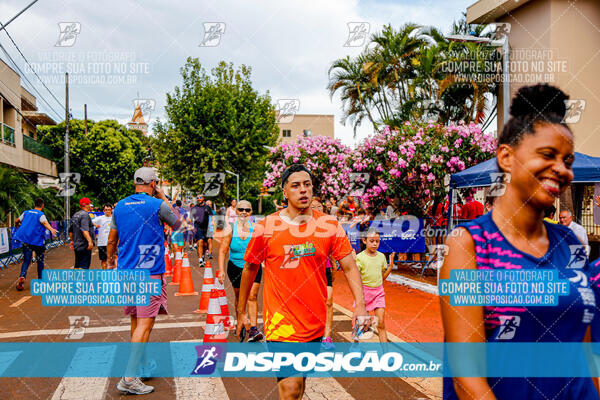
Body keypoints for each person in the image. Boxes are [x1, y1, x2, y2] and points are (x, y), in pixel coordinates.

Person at [440, 84, 599, 399]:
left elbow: (583, 349)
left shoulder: (570, 243)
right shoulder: (469, 244)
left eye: (567, 160)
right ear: (506, 156)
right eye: (548, 155)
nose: (562, 169)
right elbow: (466, 378)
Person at [236, 164, 369, 400]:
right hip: (281, 322)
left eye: (307, 184)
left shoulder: (329, 225)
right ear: (284, 192)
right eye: (295, 185)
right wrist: (242, 312)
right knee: (290, 388)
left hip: (314, 321)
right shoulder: (266, 227)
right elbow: (249, 268)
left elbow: (349, 266)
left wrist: (360, 305)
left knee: (300, 385)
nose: (303, 190)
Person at [107, 167, 179, 395]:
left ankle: (141, 365)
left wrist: (110, 263)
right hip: (149, 272)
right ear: (154, 183)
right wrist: (163, 196)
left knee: (136, 320)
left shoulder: (119, 206)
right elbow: (177, 224)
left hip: (126, 270)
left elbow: (111, 240)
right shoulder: (157, 205)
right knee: (146, 323)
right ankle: (129, 377)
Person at [217, 200, 264, 342]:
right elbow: (222, 251)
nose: (244, 212)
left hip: (253, 266)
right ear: (236, 211)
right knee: (239, 298)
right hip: (235, 267)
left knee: (253, 296)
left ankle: (254, 329)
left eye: (247, 210)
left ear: (251, 212)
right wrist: (220, 270)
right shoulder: (230, 229)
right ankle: (241, 322)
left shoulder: (256, 228)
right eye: (241, 209)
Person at [356, 229, 393, 343]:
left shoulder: (381, 257)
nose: (375, 244)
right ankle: (356, 346)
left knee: (381, 323)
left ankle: (386, 354)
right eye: (371, 241)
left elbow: (381, 278)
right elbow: (356, 279)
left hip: (378, 292)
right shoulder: (360, 257)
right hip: (365, 293)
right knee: (364, 323)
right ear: (364, 241)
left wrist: (390, 266)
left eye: (377, 241)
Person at [13, 198, 57, 291]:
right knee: (40, 260)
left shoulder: (26, 212)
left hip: (26, 241)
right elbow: (44, 222)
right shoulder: (41, 214)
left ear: (34, 204)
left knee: (26, 261)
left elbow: (17, 220)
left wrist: (17, 225)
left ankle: (22, 276)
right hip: (37, 241)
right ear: (42, 205)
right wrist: (51, 229)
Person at [310, 198, 336, 350]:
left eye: (319, 206)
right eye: (313, 207)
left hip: (325, 268)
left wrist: (333, 262)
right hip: (309, 270)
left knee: (329, 301)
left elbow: (332, 246)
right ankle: (312, 333)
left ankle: (327, 337)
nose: (317, 209)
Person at [69, 197, 95, 269]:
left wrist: (72, 241)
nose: (90, 206)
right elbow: (84, 230)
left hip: (77, 244)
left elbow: (70, 231)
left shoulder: (75, 215)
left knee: (77, 264)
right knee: (84, 266)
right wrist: (90, 241)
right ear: (87, 205)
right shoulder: (85, 215)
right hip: (84, 245)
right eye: (89, 204)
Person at [190, 195, 214, 265]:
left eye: (200, 198)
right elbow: (190, 218)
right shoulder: (194, 208)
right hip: (198, 227)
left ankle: (203, 256)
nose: (199, 199)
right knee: (200, 242)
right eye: (197, 198)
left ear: (203, 198)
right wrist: (190, 225)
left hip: (206, 228)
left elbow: (212, 216)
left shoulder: (207, 207)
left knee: (205, 244)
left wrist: (213, 221)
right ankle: (200, 260)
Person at [92, 203, 113, 269]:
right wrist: (95, 225)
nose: (107, 211)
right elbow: (89, 221)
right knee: (103, 260)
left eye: (109, 210)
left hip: (112, 242)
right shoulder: (100, 218)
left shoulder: (114, 218)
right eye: (106, 210)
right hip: (102, 242)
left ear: (111, 210)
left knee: (113, 259)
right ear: (103, 211)